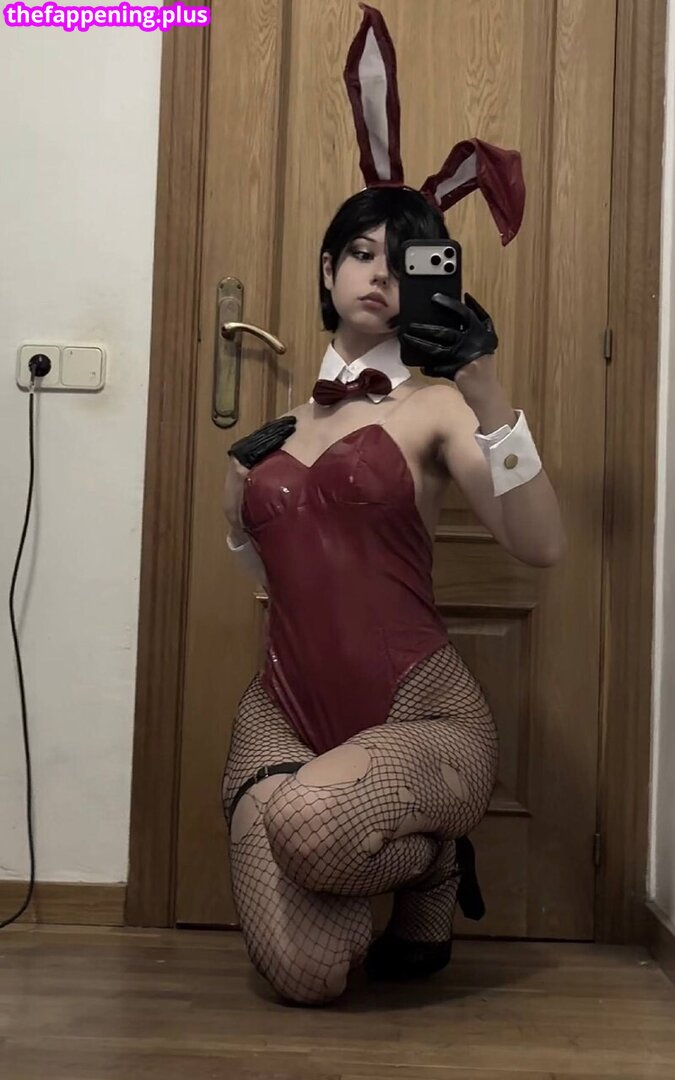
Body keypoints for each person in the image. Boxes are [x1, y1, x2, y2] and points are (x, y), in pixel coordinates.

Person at [221, 183, 566, 1007]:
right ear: (328, 269)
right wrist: (238, 488)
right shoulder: (273, 434)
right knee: (309, 977)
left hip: (423, 711)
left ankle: (435, 864)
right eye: (361, 253)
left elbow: (540, 543)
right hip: (281, 710)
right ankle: (383, 853)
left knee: (309, 827)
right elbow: (266, 573)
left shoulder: (438, 407)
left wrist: (485, 391)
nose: (380, 275)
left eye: (405, 262)